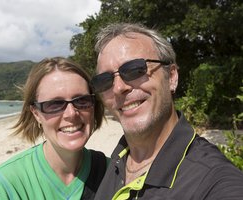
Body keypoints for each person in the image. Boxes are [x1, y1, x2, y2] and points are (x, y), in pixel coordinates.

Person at [91, 23, 243, 200]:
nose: (118, 88)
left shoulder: (213, 180)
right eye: (105, 80)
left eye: (134, 69)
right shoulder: (118, 160)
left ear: (171, 77)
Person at [0, 57, 107, 200]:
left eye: (81, 100)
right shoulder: (5, 184)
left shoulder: (113, 172)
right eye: (55, 104)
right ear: (36, 114)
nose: (71, 114)